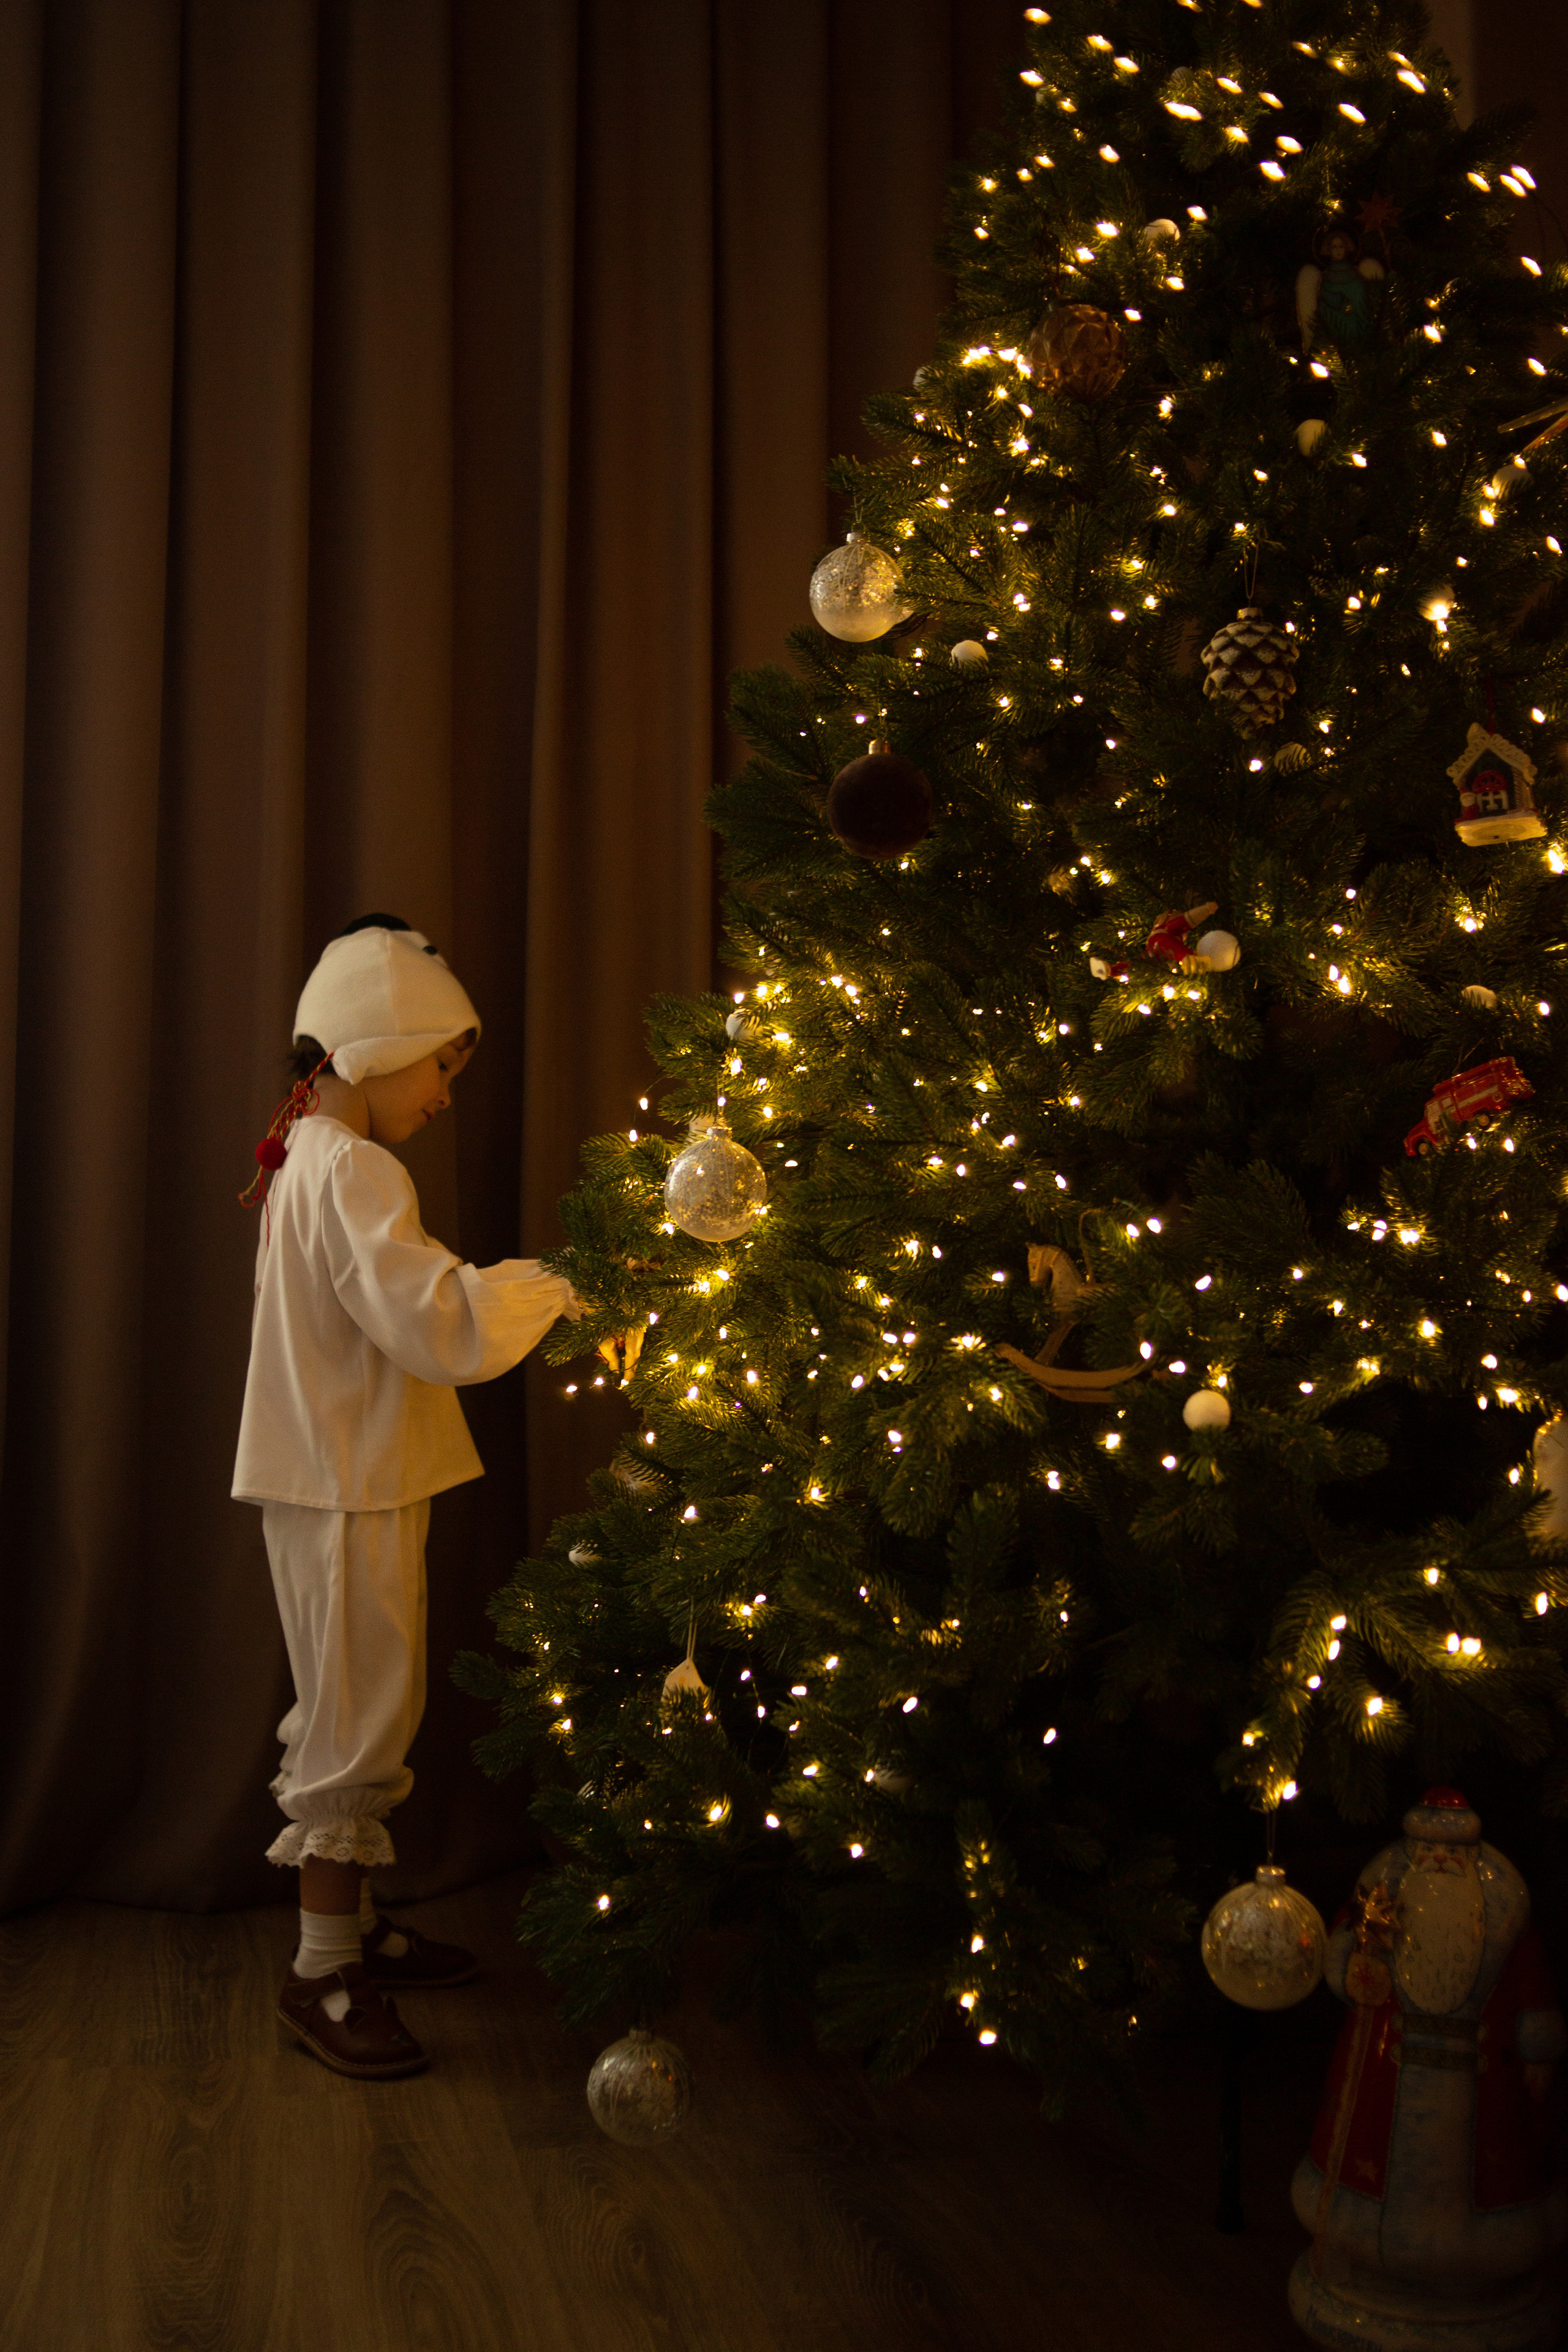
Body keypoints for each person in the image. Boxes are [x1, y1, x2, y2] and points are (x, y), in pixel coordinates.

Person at [233, 914, 581, 2080]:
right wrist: (564, 1286)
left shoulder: (310, 1154)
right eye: (441, 1063)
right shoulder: (352, 1166)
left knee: (362, 1694)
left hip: (349, 1469)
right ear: (379, 1047)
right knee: (356, 1718)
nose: (445, 1093)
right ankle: (324, 1967)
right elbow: (437, 1322)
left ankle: (354, 1925)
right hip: (346, 1480)